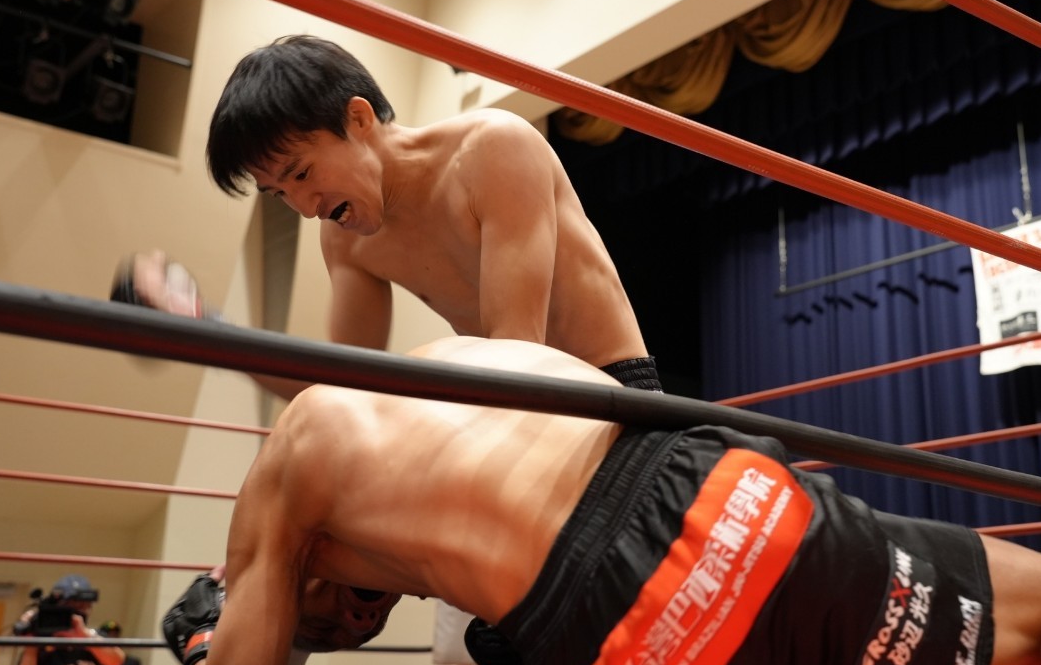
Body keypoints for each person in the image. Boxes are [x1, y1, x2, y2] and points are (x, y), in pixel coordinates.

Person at [163, 336, 1041, 665]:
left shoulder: (290, 461)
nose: (362, 616)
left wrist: (222, 638)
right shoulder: (464, 363)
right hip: (742, 501)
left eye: (337, 619)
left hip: (618, 643)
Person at [112, 35, 659, 398]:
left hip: (614, 392)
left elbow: (518, 357)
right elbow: (345, 388)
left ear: (358, 118)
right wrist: (206, 329)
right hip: (513, 409)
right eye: (278, 194)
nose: (305, 208)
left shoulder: (494, 150)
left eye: (301, 174)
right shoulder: (346, 239)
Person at [11, 574, 126, 665]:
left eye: (83, 607)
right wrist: (31, 643)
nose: (76, 613)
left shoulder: (92, 639)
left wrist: (84, 637)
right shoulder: (39, 647)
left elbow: (117, 661)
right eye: (69, 606)